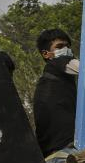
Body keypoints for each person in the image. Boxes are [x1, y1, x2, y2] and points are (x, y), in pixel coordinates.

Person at [32, 28, 79, 156]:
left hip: (49, 150)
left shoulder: (48, 79)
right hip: (64, 149)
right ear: (46, 54)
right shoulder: (57, 63)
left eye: (68, 46)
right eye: (60, 46)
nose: (66, 49)